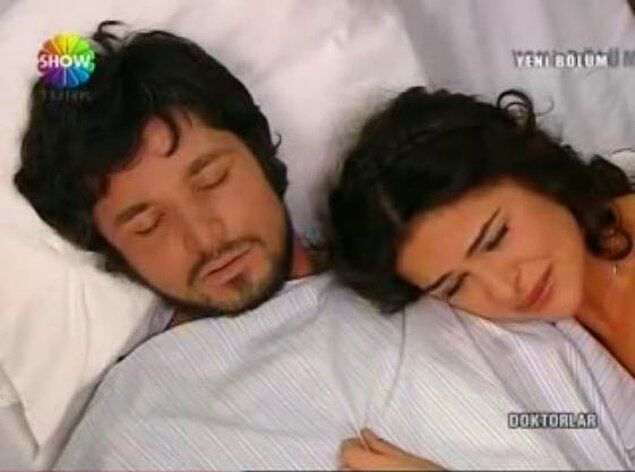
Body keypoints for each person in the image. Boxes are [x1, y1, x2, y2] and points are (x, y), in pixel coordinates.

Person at [15, 23, 634, 470]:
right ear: (111, 251)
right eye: (147, 224)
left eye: (211, 179)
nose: (204, 236)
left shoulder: (447, 276)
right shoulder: (130, 435)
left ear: (259, 149)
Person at [329, 86, 635, 468]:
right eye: (455, 285)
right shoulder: (557, 340)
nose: (504, 289)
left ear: (534, 174)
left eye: (495, 238)